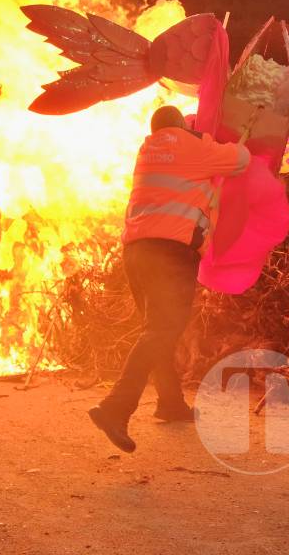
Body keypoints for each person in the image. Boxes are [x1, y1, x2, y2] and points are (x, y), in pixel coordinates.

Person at [89, 106, 250, 453]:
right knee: (163, 329)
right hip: (170, 254)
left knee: (155, 329)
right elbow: (240, 159)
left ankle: (171, 403)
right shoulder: (192, 146)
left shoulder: (147, 150)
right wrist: (221, 135)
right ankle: (116, 408)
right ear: (180, 126)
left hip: (135, 252)